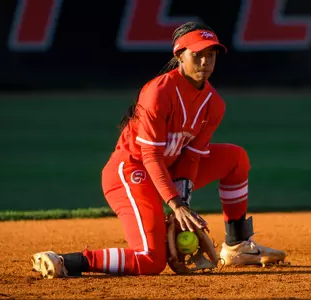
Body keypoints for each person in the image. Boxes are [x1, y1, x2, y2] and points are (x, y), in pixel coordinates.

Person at [31, 21, 286, 278]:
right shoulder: (158, 92)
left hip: (169, 168)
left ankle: (237, 247)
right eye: (197, 55)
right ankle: (66, 261)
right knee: (151, 261)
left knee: (235, 158)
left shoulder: (214, 104)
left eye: (211, 55)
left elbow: (191, 158)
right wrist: (175, 204)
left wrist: (183, 203)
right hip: (131, 171)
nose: (205, 62)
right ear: (179, 56)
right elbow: (149, 155)